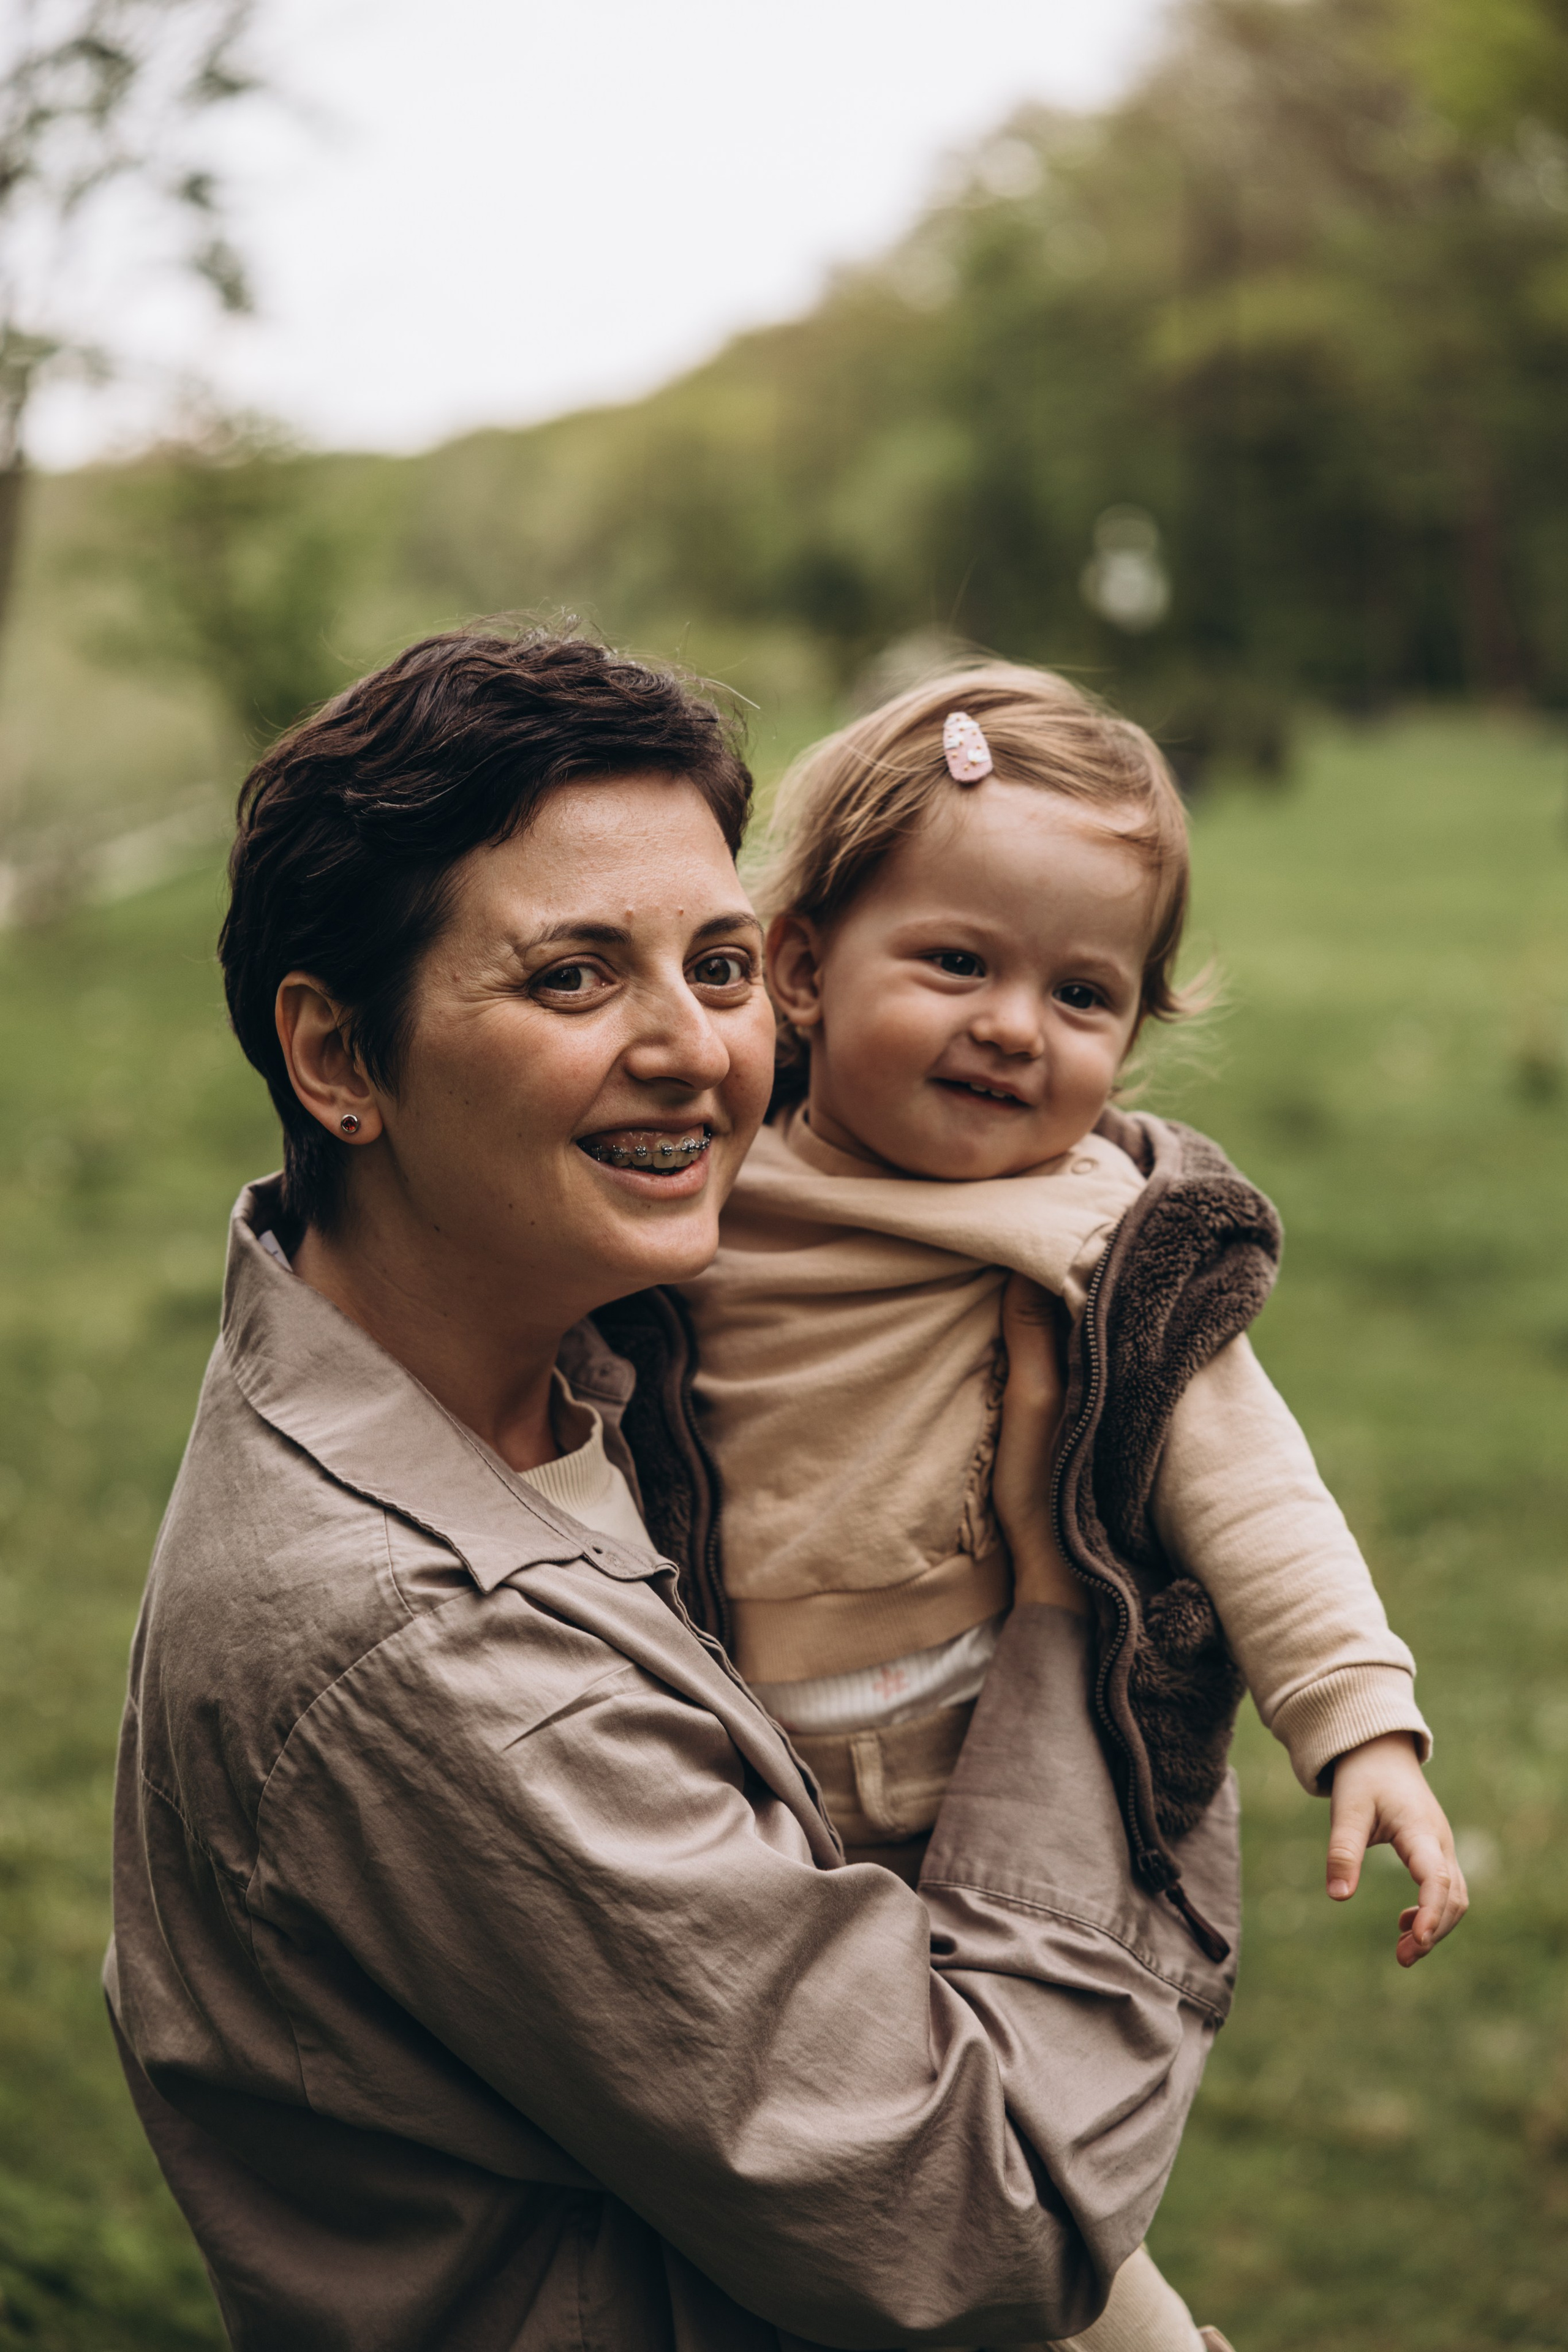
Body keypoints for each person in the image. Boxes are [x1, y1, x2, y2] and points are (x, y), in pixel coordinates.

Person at [107, 629, 1243, 2352]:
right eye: (574, 978)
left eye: (718, 966)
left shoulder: (550, 1351)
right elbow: (983, 2218)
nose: (697, 1053)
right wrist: (1091, 1601)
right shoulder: (445, 1668)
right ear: (338, 1062)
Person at [677, 662, 1470, 2352]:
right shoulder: (704, 1191)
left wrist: (1360, 1726)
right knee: (816, 2181)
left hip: (1002, 1779)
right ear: (806, 967)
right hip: (749, 1795)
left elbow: (1255, 1486)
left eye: (1084, 993)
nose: (1016, 1027)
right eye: (957, 962)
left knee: (1034, 2220)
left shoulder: (1100, 1239)